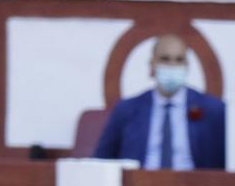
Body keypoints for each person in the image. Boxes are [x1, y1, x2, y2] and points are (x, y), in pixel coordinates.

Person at [92, 35, 226, 171]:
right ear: (152, 65)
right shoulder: (127, 109)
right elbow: (101, 161)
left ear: (187, 66)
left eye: (179, 60)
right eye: (165, 59)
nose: (172, 66)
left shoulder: (212, 110)